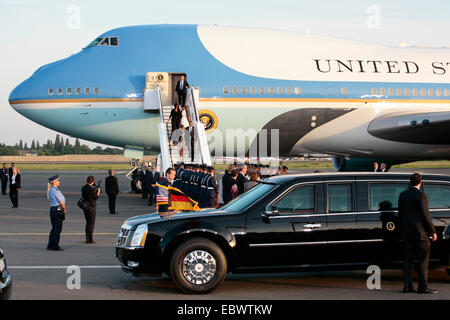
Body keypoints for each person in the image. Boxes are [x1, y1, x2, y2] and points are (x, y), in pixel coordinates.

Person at [398, 173, 438, 294]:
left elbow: (401, 213)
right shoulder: (421, 195)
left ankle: (407, 286)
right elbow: (425, 215)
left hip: (407, 233)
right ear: (420, 182)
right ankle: (423, 287)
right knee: (422, 260)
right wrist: (433, 231)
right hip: (420, 233)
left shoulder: (403, 195)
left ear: (410, 182)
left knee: (407, 261)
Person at [46, 175, 66, 251]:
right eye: (58, 181)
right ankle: (55, 246)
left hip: (53, 209)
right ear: (54, 182)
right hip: (57, 210)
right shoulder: (55, 190)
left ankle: (50, 245)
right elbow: (61, 202)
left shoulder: (52, 189)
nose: (59, 182)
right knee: (57, 229)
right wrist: (64, 209)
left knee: (54, 228)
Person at [81, 176, 101, 244]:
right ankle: (90, 239)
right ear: (92, 181)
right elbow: (95, 197)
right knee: (91, 224)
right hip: (91, 207)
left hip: (85, 206)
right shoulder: (91, 189)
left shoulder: (83, 188)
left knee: (88, 223)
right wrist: (98, 192)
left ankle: (87, 238)